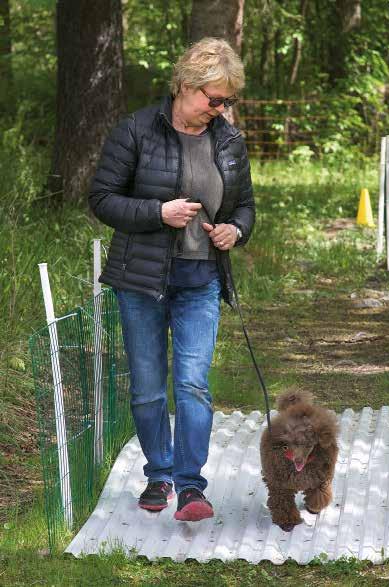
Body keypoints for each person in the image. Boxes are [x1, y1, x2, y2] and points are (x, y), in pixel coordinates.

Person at [89, 37, 255, 522]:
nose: (221, 109)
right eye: (214, 98)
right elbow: (102, 199)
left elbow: (245, 205)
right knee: (147, 388)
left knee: (193, 385)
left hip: (201, 280)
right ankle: (158, 474)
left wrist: (235, 230)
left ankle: (190, 486)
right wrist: (158, 212)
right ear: (187, 85)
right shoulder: (136, 130)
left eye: (226, 101)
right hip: (140, 281)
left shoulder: (228, 140)